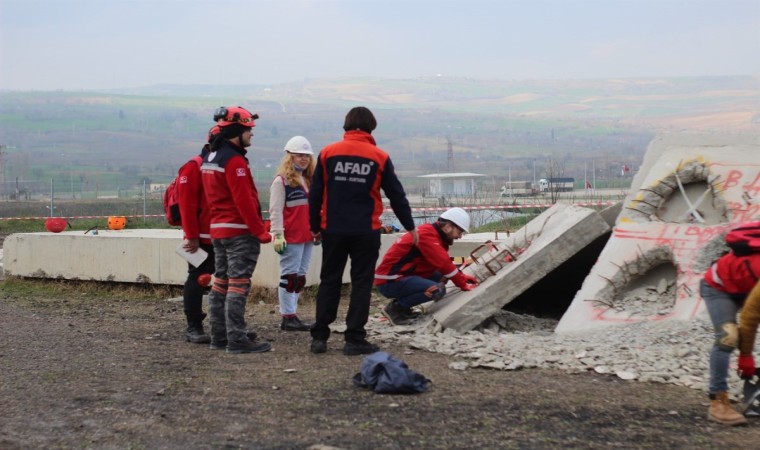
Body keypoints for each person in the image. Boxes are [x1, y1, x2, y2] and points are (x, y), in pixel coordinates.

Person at [309, 106, 417, 356]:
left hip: (332, 229)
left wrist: (314, 226)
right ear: (371, 126)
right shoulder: (379, 156)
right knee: (361, 283)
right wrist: (410, 226)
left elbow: (315, 195)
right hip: (365, 230)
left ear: (346, 125)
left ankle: (320, 337)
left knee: (330, 280)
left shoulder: (327, 153)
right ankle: (354, 338)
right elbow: (396, 195)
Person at [201, 106, 272, 354]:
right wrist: (260, 230)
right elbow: (244, 200)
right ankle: (237, 339)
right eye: (249, 130)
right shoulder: (234, 160)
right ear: (237, 131)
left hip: (218, 231)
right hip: (239, 232)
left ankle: (218, 336)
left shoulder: (211, 157)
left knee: (220, 283)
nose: (252, 134)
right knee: (238, 284)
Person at [375, 207, 479, 325]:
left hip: (397, 277)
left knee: (442, 277)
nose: (459, 236)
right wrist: (463, 284)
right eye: (459, 232)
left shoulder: (432, 234)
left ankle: (403, 307)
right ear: (448, 227)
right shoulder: (427, 235)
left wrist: (462, 277)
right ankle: (396, 309)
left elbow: (444, 267)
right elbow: (444, 263)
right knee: (437, 290)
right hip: (390, 281)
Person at [701, 238, 760, 425]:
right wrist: (746, 356)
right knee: (728, 336)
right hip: (718, 288)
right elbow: (750, 316)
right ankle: (718, 403)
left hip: (748, 286)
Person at [268, 136, 316, 331]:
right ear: (290, 157)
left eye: (306, 156)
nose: (303, 159)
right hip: (291, 236)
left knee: (300, 277)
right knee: (289, 277)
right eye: (299, 156)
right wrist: (278, 234)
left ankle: (293, 312)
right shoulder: (281, 182)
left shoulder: (308, 180)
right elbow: (275, 210)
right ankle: (288, 316)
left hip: (307, 236)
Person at [177, 125, 219, 344]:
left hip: (223, 233)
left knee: (228, 280)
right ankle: (194, 324)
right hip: (201, 236)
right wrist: (191, 234)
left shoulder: (221, 164)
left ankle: (225, 325)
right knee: (198, 279)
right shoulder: (194, 166)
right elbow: (186, 204)